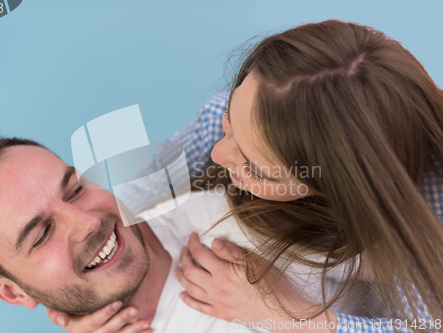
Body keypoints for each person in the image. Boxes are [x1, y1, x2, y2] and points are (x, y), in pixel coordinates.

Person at [50, 20, 443, 333]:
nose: (220, 154)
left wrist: (287, 315)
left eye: (254, 168)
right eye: (230, 119)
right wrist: (82, 291)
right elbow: (139, 195)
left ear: (342, 190)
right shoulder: (251, 111)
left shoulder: (424, 234)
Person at [0, 133, 339, 333]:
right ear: (12, 292)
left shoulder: (244, 209)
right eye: (42, 234)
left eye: (77, 188)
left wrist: (295, 319)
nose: (90, 222)